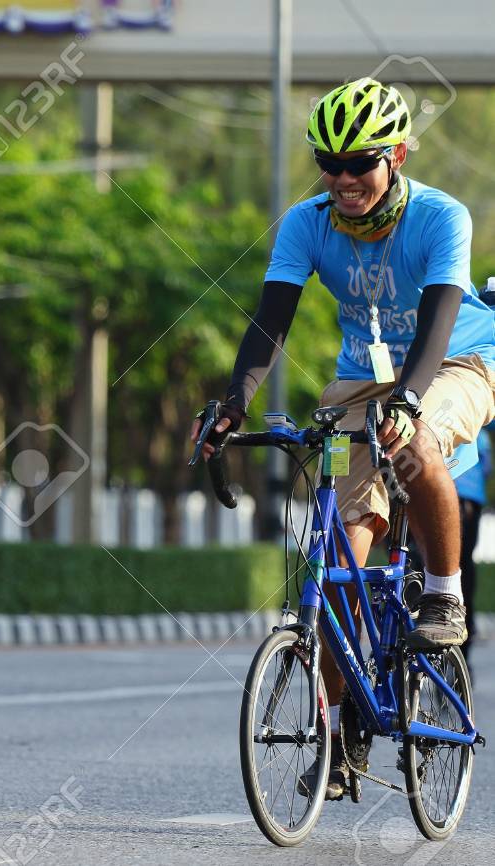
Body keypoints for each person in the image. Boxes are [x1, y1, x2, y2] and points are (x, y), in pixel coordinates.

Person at [191, 77, 495, 800]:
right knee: (332, 570)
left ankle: (445, 597)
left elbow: (440, 319)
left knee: (416, 445)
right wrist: (234, 403)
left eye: (359, 163)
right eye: (329, 163)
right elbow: (272, 321)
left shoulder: (440, 216)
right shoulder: (309, 221)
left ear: (397, 154)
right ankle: (346, 727)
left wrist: (413, 402)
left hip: (455, 358)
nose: (343, 178)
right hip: (361, 379)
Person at [454, 421, 493, 660]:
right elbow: (486, 465)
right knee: (463, 566)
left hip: (425, 490)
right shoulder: (478, 427)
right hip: (467, 494)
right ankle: (464, 651)